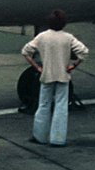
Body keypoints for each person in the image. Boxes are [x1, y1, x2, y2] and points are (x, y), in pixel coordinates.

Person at [21, 10, 88, 146]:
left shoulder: (42, 37)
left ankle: (39, 136)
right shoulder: (68, 38)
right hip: (63, 75)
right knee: (61, 107)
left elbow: (26, 52)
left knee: (43, 105)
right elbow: (83, 52)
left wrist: (38, 67)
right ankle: (58, 138)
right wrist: (73, 65)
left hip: (46, 75)